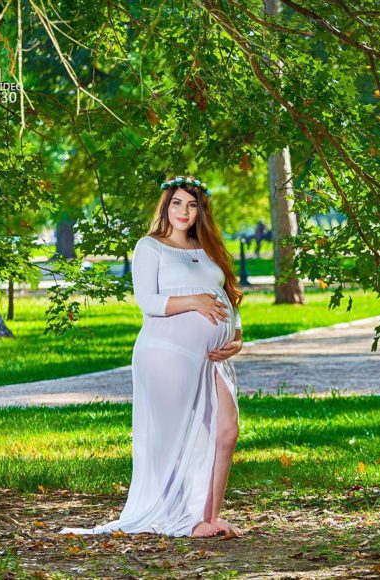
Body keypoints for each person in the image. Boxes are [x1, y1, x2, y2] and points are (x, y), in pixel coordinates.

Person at [60, 175, 245, 538]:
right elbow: (148, 302)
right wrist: (195, 301)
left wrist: (236, 338)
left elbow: (227, 297)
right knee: (172, 439)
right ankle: (183, 520)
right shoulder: (150, 247)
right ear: (166, 206)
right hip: (166, 355)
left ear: (200, 210)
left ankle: (211, 516)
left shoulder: (209, 250)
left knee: (226, 431)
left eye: (192, 205)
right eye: (177, 203)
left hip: (213, 359)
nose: (184, 211)